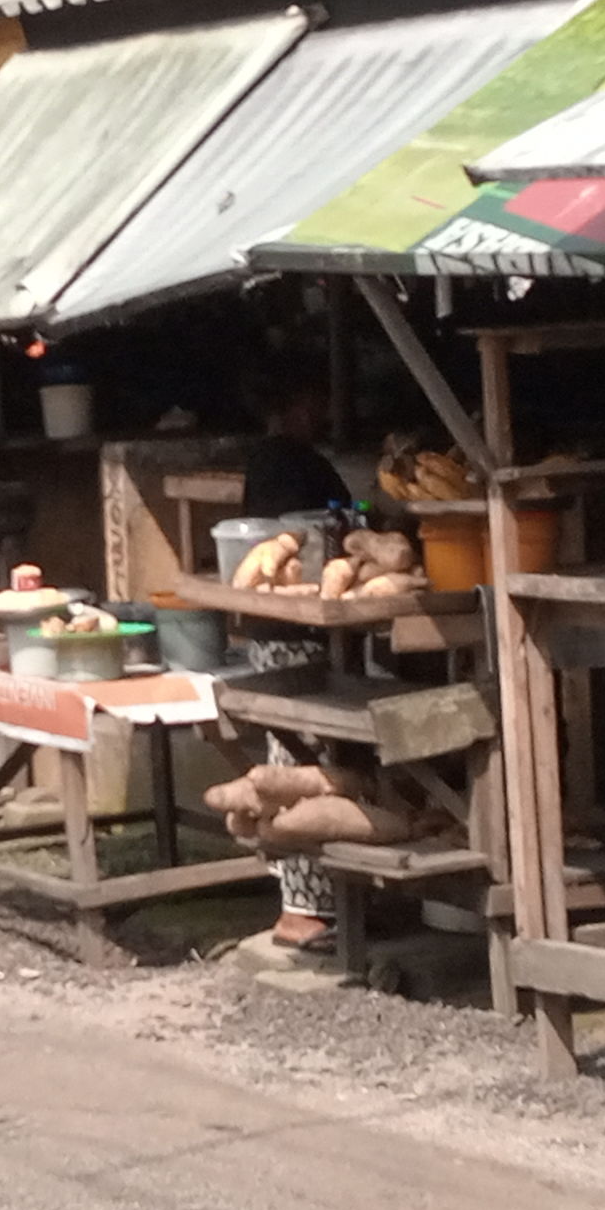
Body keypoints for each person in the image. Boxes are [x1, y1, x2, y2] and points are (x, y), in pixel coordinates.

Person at [241, 376, 351, 951]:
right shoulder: (288, 462)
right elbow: (303, 534)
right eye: (315, 400)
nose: (323, 409)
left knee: (303, 761)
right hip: (292, 630)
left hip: (279, 628)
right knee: (304, 766)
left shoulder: (271, 459)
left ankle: (318, 902)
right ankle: (302, 909)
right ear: (295, 405)